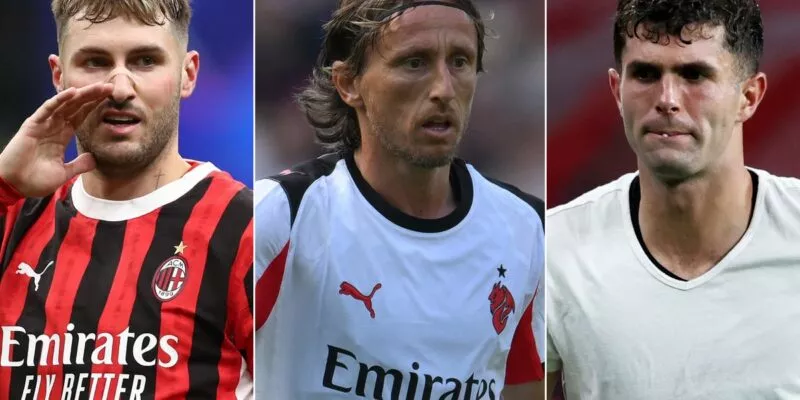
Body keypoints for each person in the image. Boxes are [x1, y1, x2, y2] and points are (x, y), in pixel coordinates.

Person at [254, 0, 545, 399]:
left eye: (460, 62)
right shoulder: (285, 216)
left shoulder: (528, 230)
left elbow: (525, 386)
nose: (444, 89)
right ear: (348, 83)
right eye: (414, 62)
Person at [546, 0, 800, 398]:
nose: (667, 99)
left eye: (694, 75)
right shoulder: (554, 248)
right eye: (646, 74)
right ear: (617, 91)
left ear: (749, 96)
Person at [0, 1, 253, 399]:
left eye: (145, 61)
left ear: (187, 74)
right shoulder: (13, 215)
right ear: (59, 76)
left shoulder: (245, 229)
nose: (119, 89)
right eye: (95, 62)